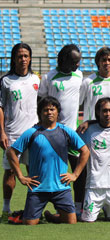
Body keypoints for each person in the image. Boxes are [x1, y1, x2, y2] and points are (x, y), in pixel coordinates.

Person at [6, 96, 90, 225]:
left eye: (52, 109)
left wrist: (75, 175)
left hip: (61, 188)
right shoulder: (32, 132)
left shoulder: (66, 131)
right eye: (45, 110)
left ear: (57, 112)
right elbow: (11, 151)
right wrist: (21, 176)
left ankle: (52, 217)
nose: (49, 112)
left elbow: (85, 151)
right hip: (38, 188)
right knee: (29, 224)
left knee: (71, 222)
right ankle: (25, 215)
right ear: (40, 113)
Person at [38, 44, 84, 215]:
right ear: (63, 60)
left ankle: (78, 207)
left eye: (78, 61)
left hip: (73, 133)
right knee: (54, 174)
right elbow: (41, 102)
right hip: (53, 134)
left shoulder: (79, 76)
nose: (77, 65)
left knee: (79, 172)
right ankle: (57, 209)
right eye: (74, 61)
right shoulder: (49, 77)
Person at [0, 43, 40, 221]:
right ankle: (6, 209)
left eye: (26, 56)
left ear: (30, 58)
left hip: (33, 134)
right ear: (14, 59)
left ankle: (32, 209)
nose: (23, 59)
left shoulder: (37, 80)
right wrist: (2, 132)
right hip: (12, 134)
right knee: (9, 172)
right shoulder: (6, 81)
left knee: (34, 171)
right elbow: (0, 108)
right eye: (19, 56)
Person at [80, 98, 110, 223]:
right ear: (98, 112)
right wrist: (88, 122)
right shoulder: (87, 130)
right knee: (88, 221)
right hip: (94, 185)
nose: (108, 114)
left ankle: (109, 210)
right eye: (104, 110)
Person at [80, 47, 110, 121]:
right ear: (98, 62)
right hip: (92, 127)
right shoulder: (88, 82)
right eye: (104, 60)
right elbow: (77, 103)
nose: (107, 63)